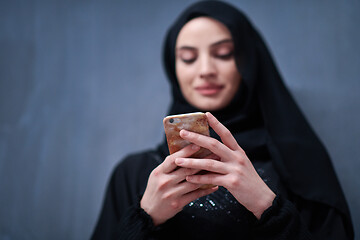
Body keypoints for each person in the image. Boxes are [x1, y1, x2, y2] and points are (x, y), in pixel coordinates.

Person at [91, 1, 354, 239]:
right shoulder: (136, 173)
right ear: (174, 69)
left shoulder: (300, 167)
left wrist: (267, 206)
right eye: (188, 58)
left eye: (224, 53)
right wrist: (145, 217)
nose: (205, 70)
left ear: (249, 62)